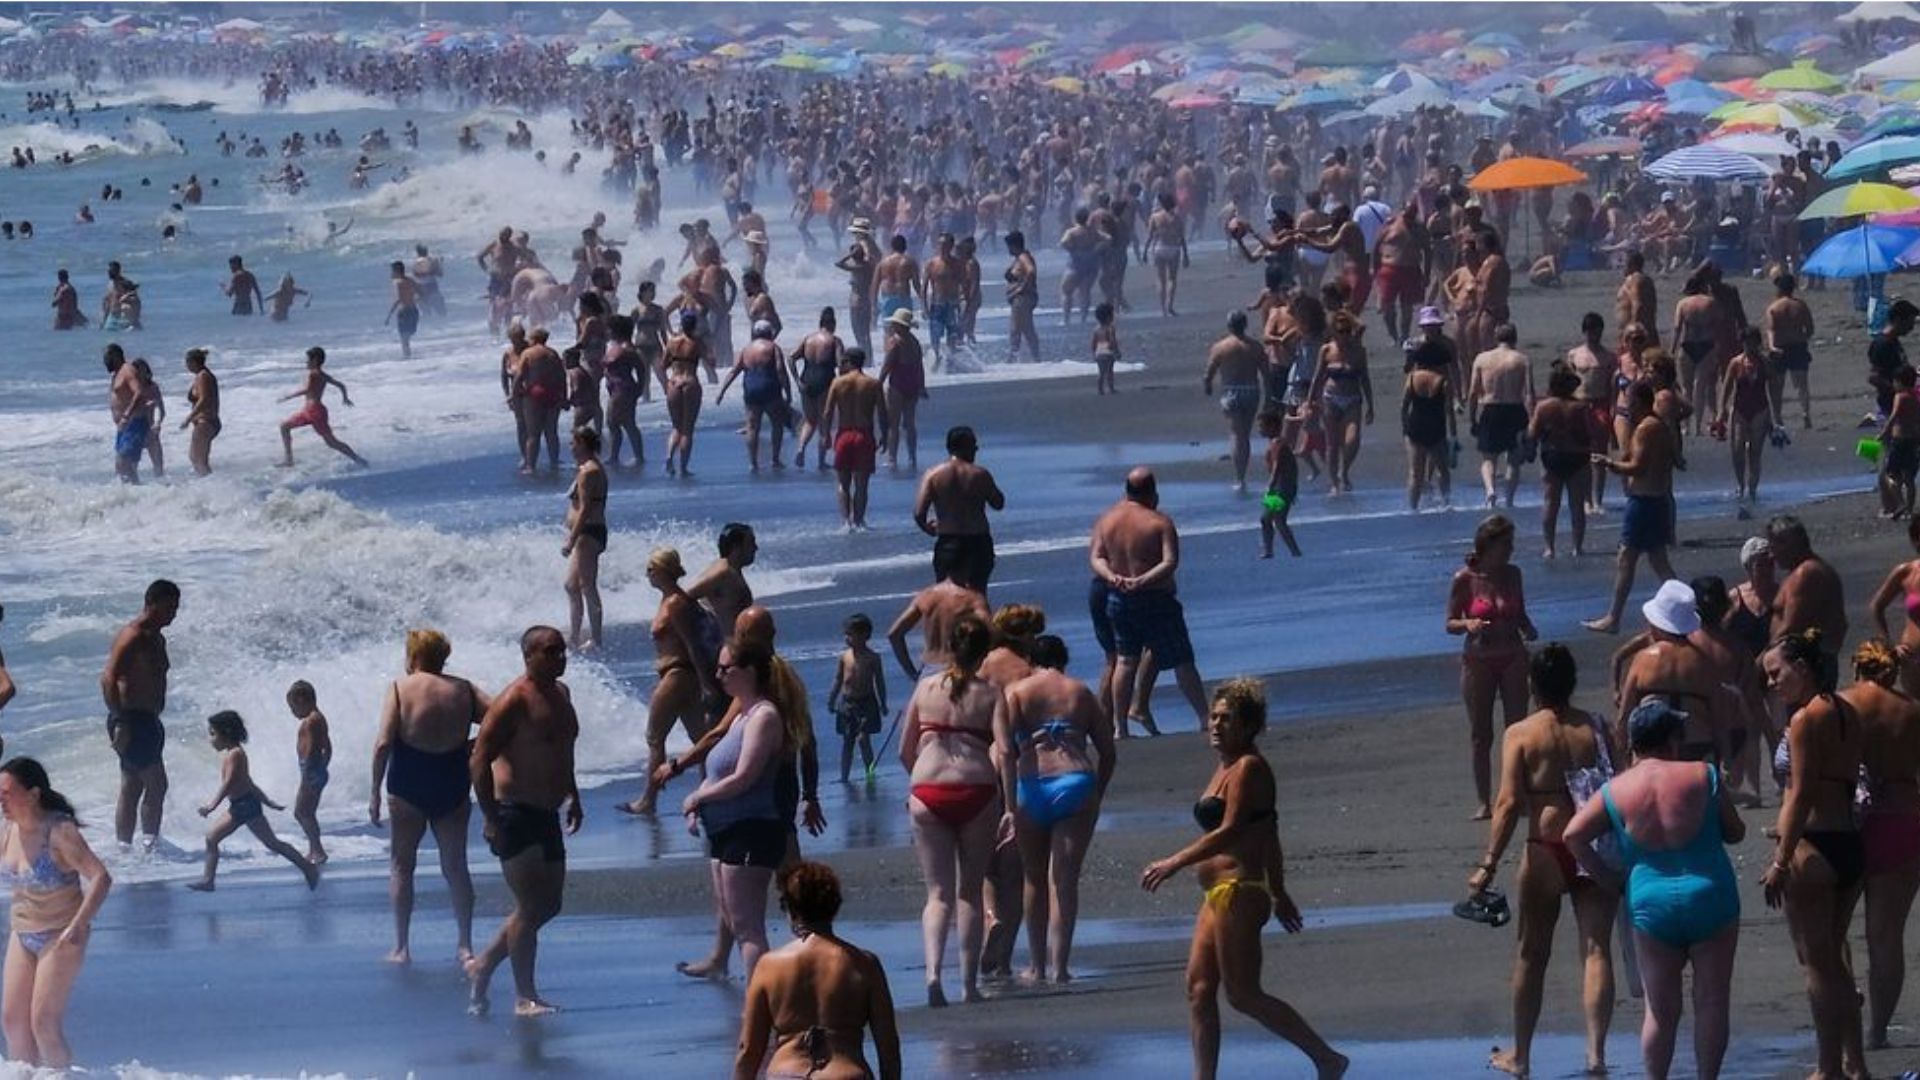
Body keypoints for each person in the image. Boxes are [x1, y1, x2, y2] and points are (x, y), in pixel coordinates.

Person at [1139, 679, 1348, 1080]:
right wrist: (1282, 892)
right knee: (1199, 989)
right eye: (1213, 717)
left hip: (1240, 890)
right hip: (1215, 894)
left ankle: (1326, 1058)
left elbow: (1234, 829)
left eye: (1227, 718)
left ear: (1248, 726)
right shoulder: (1225, 766)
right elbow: (1268, 832)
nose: (1216, 725)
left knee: (1242, 994)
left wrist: (1175, 861)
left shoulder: (1250, 766)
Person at [1563, 699, 1745, 1080]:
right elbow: (1736, 831)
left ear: (1633, 743)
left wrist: (1607, 880)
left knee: (1660, 1011)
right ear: (1671, 740)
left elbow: (1574, 835)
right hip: (1709, 893)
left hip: (1649, 901)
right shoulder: (1702, 774)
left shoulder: (1616, 790)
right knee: (1711, 999)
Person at [1466, 645, 1618, 1079]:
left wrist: (1489, 862)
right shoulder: (1597, 726)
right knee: (1596, 951)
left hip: (1546, 848)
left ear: (1532, 685)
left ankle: (1523, 1056)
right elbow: (1619, 783)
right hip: (1593, 845)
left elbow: (1510, 802)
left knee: (1532, 955)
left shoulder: (1522, 732)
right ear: (1571, 682)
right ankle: (1595, 1056)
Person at [1762, 629, 1869, 1080]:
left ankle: (1829, 1069)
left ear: (1801, 669)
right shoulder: (1845, 709)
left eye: (1776, 673)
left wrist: (1781, 860)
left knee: (1817, 965)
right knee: (1834, 962)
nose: (1772, 682)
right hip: (1847, 845)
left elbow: (1801, 792)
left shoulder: (1806, 718)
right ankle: (1855, 1063)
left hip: (1814, 848)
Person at [467, 626, 583, 1018]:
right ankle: (524, 996)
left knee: (549, 905)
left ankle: (483, 964)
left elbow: (562, 750)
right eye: (551, 652)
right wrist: (489, 816)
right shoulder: (513, 700)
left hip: (547, 812)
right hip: (514, 813)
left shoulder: (561, 695)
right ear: (529, 655)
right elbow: (479, 759)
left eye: (562, 651)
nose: (560, 658)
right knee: (530, 905)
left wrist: (574, 795)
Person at [901, 615, 1010, 1007]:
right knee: (969, 892)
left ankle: (933, 975)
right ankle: (967, 985)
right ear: (983, 652)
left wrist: (916, 783)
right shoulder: (991, 693)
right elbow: (1007, 751)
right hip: (977, 789)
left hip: (928, 789)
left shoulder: (926, 688)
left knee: (937, 894)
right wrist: (1009, 805)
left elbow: (904, 749)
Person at [371, 628, 486, 966]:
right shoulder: (463, 689)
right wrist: (474, 746)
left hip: (408, 782)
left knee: (402, 865)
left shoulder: (399, 688)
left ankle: (401, 947)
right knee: (456, 866)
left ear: (414, 657)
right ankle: (465, 945)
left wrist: (374, 792)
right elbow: (499, 717)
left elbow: (382, 744)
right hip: (451, 778)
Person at [1002, 635, 1113, 985]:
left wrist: (1007, 803)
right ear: (1063, 660)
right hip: (1075, 781)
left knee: (1034, 879)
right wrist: (1097, 789)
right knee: (1064, 880)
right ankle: (1061, 968)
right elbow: (1108, 751)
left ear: (1031, 660)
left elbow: (1005, 751)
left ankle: (1036, 966)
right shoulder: (1080, 691)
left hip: (1032, 786)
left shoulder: (1017, 692)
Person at [733, 861, 902, 1080]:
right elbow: (888, 1047)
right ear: (834, 906)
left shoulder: (768, 966)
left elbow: (748, 1051)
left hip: (787, 1073)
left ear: (790, 909)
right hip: (844, 1074)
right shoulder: (864, 964)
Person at [684, 638, 787, 980]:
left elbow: (745, 777)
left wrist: (700, 799)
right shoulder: (741, 715)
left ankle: (762, 1004)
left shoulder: (764, 716)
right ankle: (757, 998)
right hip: (723, 831)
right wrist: (698, 803)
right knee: (732, 919)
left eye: (726, 668)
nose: (719, 674)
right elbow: (718, 771)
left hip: (751, 830)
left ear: (750, 671)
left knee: (748, 928)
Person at [0, 758, 111, 1069]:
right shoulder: (6, 831)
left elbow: (101, 877)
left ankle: (60, 1076)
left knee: (43, 1024)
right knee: (12, 1021)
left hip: (61, 935)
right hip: (22, 934)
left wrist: (78, 926)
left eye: (7, 793)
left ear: (34, 794)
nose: (1, 800)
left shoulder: (59, 831)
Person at [1089, 468, 1210, 738]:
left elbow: (1097, 557)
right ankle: (1203, 716)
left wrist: (1112, 576)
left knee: (1126, 660)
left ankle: (1120, 727)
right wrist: (1143, 580)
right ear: (1153, 493)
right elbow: (1170, 562)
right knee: (1182, 659)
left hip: (1118, 596)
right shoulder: (1159, 522)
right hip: (1155, 598)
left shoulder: (1107, 520)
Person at [1843, 639, 1920, 1049]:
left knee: (1831, 930)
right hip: (1903, 820)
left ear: (1858, 670)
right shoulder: (1912, 710)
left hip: (1849, 823)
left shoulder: (1841, 705)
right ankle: (1876, 1031)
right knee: (1886, 936)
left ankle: (1845, 1001)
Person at [1447, 516, 1538, 819]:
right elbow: (1450, 623)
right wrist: (1468, 623)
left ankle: (1516, 794)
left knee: (1517, 730)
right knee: (1481, 734)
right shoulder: (1465, 578)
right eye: (1505, 545)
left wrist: (1528, 627)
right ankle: (1484, 801)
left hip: (1512, 653)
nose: (1510, 551)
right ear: (1488, 546)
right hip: (1479, 658)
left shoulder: (1514, 574)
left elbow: (1521, 612)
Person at [620, 549, 719, 816]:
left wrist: (706, 682)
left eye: (651, 568)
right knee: (700, 739)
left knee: (655, 738)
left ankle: (648, 801)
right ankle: (709, 793)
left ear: (664, 570)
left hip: (678, 674)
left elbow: (692, 644)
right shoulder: (673, 599)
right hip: (678, 676)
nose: (647, 574)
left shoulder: (675, 602)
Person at [1584, 383, 1679, 634]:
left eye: (1629, 403)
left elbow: (1638, 467)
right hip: (1657, 500)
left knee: (1627, 558)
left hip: (1644, 502)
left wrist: (1609, 464)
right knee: (1659, 561)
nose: (1627, 409)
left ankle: (1613, 618)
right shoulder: (1659, 427)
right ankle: (1685, 608)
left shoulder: (1647, 428)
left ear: (1640, 402)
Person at [188, 710, 320, 891]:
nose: (211, 739)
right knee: (271, 843)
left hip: (244, 806)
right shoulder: (232, 754)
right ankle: (307, 867)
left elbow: (229, 784)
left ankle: (208, 880)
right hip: (244, 804)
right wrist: (268, 802)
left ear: (225, 733)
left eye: (213, 734)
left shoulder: (235, 754)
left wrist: (211, 806)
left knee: (213, 838)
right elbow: (248, 783)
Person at [101, 579, 176, 849]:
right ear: (150, 603)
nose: (173, 614)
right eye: (168, 607)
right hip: (131, 719)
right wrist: (120, 721)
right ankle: (150, 846)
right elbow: (108, 678)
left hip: (148, 720)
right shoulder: (132, 636)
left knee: (132, 785)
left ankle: (125, 848)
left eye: (176, 608)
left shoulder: (156, 637)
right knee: (157, 784)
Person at [915, 426, 1005, 592]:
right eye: (974, 447)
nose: (975, 451)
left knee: (948, 596)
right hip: (978, 541)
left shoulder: (933, 474)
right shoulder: (980, 474)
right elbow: (998, 503)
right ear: (966, 447)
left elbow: (919, 514)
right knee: (978, 595)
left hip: (949, 542)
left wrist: (929, 529)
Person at [1468, 322, 1534, 509]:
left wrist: (1472, 417)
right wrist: (1531, 420)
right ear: (1515, 338)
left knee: (1488, 458)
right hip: (1514, 408)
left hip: (1491, 408)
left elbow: (1473, 391)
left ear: (1496, 338)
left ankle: (1490, 491)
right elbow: (1529, 393)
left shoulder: (1482, 359)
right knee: (1513, 461)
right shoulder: (1522, 359)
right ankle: (1510, 500)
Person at [1529, 365, 1592, 559]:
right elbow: (1588, 434)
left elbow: (1533, 433)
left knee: (1550, 502)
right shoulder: (1580, 407)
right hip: (1577, 456)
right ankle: (1577, 547)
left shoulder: (1544, 406)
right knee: (1577, 504)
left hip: (1553, 456)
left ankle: (1549, 548)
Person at [716, 319, 793, 473]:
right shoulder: (773, 347)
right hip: (770, 388)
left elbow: (734, 372)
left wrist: (721, 392)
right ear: (769, 333)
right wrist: (788, 392)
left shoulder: (746, 350)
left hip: (751, 390)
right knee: (777, 424)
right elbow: (780, 370)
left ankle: (753, 463)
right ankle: (775, 459)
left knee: (752, 427)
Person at [1204, 311, 1268, 491]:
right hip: (1251, 391)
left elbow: (1209, 371)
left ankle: (1240, 478)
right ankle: (1242, 475)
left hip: (1232, 391)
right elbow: (1266, 372)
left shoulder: (1221, 347)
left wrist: (1207, 385)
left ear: (1229, 326)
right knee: (1244, 435)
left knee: (1236, 434)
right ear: (1245, 325)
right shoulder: (1255, 347)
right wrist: (1270, 395)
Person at [824, 347, 885, 530]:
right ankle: (859, 521)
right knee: (862, 484)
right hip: (864, 434)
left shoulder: (837, 383)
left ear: (849, 362)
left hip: (844, 434)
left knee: (843, 483)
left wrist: (826, 434)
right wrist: (885, 434)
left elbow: (827, 412)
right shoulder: (873, 384)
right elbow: (882, 412)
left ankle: (846, 523)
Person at [1717, 326, 1779, 507]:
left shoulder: (1765, 363)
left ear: (1757, 343)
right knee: (1737, 450)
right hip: (1739, 409)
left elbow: (1773, 388)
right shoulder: (1736, 363)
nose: (1749, 346)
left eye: (1752, 342)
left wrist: (1776, 415)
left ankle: (1752, 488)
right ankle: (1740, 485)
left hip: (1760, 409)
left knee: (1755, 451)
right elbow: (1727, 387)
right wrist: (1722, 410)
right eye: (1746, 342)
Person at [278, 347, 367, 468]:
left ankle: (359, 459)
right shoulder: (322, 374)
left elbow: (307, 390)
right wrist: (345, 398)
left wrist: (288, 396)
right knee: (284, 426)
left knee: (332, 442)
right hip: (310, 410)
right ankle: (289, 460)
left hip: (315, 412)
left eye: (308, 360)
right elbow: (341, 385)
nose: (306, 362)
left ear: (315, 360)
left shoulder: (313, 374)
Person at [827, 614, 887, 783]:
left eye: (851, 634)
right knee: (848, 741)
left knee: (863, 739)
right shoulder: (844, 657)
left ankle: (870, 773)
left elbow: (879, 681)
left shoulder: (873, 658)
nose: (847, 638)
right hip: (847, 703)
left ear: (865, 636)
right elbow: (838, 679)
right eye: (846, 634)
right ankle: (844, 776)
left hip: (866, 702)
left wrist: (883, 703)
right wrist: (831, 699)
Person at [562, 427, 607, 653]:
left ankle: (596, 638)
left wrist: (572, 539)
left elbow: (586, 508)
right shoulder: (584, 469)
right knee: (571, 586)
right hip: (585, 533)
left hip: (588, 532)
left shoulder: (589, 471)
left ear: (582, 443)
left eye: (573, 443)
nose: (570, 447)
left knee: (587, 585)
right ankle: (574, 635)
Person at [1867, 516, 1920, 698]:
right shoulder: (1906, 572)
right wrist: (1889, 645)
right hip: (1911, 659)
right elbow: (1877, 606)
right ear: (1915, 540)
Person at [793, 308, 844, 469]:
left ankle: (801, 448)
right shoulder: (834, 341)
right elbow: (841, 364)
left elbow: (791, 358)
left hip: (806, 380)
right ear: (832, 323)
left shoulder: (808, 339)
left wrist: (796, 380)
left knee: (809, 420)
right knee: (824, 421)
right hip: (824, 381)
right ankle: (821, 461)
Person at [1763, 272, 1815, 430]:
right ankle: (1805, 413)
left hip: (1779, 348)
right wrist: (1802, 337)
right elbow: (1810, 328)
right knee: (1802, 384)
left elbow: (1771, 330)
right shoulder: (1800, 305)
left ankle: (1778, 417)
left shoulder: (1774, 307)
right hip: (1798, 346)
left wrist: (1772, 347)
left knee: (1777, 386)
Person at [286, 680, 331, 865]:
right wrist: (323, 766)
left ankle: (317, 850)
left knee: (301, 812)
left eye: (293, 707)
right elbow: (328, 748)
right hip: (316, 769)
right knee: (307, 812)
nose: (292, 712)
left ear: (301, 700)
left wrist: (309, 773)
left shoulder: (311, 720)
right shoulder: (319, 718)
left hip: (311, 770)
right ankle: (315, 849)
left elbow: (312, 747)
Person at [878, 309, 927, 470]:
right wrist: (922, 386)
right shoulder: (914, 342)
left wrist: (878, 384)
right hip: (912, 383)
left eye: (894, 323)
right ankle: (912, 457)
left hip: (898, 384)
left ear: (899, 325)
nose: (891, 325)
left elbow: (887, 366)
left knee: (894, 424)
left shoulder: (895, 342)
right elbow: (920, 367)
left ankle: (892, 458)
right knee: (910, 423)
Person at [1258, 410, 1303, 558]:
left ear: (1272, 427)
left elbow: (1277, 466)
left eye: (1262, 426)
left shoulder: (1278, 443)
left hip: (1281, 489)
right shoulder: (1275, 443)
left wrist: (1270, 485)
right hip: (1281, 488)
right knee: (1270, 520)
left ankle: (1293, 551)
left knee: (1276, 520)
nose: (1260, 430)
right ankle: (1271, 550)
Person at [1878, 364, 1920, 520]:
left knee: (1891, 475)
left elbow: (1894, 416)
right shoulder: (1916, 397)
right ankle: (1909, 510)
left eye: (1895, 382)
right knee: (1909, 478)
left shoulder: (1900, 396)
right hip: (1914, 439)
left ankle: (1901, 503)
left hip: (1899, 440)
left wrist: (1883, 433)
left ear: (1900, 382)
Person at [1867, 298, 1916, 427]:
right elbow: (1873, 377)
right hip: (1890, 403)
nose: (1912, 327)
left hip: (1901, 402)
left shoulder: (1894, 342)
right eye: (1910, 322)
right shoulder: (1882, 344)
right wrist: (1897, 390)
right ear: (1898, 320)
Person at [179, 348, 220, 477]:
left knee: (196, 458)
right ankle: (210, 485)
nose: (186, 365)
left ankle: (209, 484)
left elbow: (203, 399)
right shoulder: (202, 375)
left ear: (193, 362)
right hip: (206, 422)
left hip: (205, 422)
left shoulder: (203, 376)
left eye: (187, 362)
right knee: (200, 459)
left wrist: (188, 418)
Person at [384, 261, 420, 359]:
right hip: (414, 310)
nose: (391, 273)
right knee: (408, 336)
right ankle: (409, 358)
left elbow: (398, 299)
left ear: (397, 271)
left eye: (392, 271)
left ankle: (407, 359)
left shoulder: (398, 283)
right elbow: (421, 293)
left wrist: (389, 315)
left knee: (404, 340)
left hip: (404, 312)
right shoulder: (410, 280)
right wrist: (414, 301)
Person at [1091, 301, 1121, 394]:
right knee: (1110, 371)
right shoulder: (1110, 328)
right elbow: (1112, 340)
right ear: (1109, 317)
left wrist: (1094, 352)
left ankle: (1100, 389)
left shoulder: (1096, 329)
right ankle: (1111, 388)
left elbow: (1093, 342)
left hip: (1099, 351)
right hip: (1108, 351)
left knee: (1101, 372)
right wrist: (1117, 351)